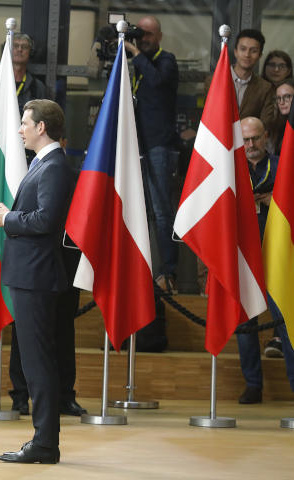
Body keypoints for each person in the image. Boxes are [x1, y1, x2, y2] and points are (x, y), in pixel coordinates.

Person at [0, 99, 72, 464]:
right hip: (31, 275)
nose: (20, 128)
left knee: (38, 363)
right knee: (36, 362)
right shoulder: (45, 163)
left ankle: (44, 443)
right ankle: (43, 440)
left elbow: (45, 220)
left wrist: (9, 219)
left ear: (42, 127)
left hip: (37, 276)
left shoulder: (54, 165)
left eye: (25, 122)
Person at [234, 117, 294, 403]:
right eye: (245, 140)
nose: (251, 145)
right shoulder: (232, 170)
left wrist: (276, 199)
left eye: (256, 138)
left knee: (285, 320)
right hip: (245, 257)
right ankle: (253, 384)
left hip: (277, 256)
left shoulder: (283, 166)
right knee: (246, 324)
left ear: (266, 136)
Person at [127, 15, 180, 294]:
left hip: (159, 145)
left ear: (159, 36)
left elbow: (158, 81)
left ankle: (169, 273)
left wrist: (136, 55)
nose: (143, 38)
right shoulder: (133, 63)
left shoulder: (166, 60)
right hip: (136, 146)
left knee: (162, 212)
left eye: (148, 34)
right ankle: (139, 270)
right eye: (139, 34)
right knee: (139, 210)